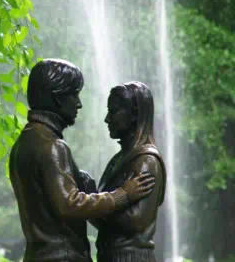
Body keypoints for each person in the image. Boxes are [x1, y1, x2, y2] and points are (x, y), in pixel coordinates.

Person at [9, 59, 155, 262]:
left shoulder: (23, 143)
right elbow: (70, 205)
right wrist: (122, 195)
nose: (79, 103)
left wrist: (82, 184)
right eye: (74, 94)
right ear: (58, 97)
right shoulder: (52, 146)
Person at [94, 82, 167, 262]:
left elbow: (136, 220)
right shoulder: (117, 160)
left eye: (113, 111)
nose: (107, 119)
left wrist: (94, 202)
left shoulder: (147, 161)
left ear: (134, 115)